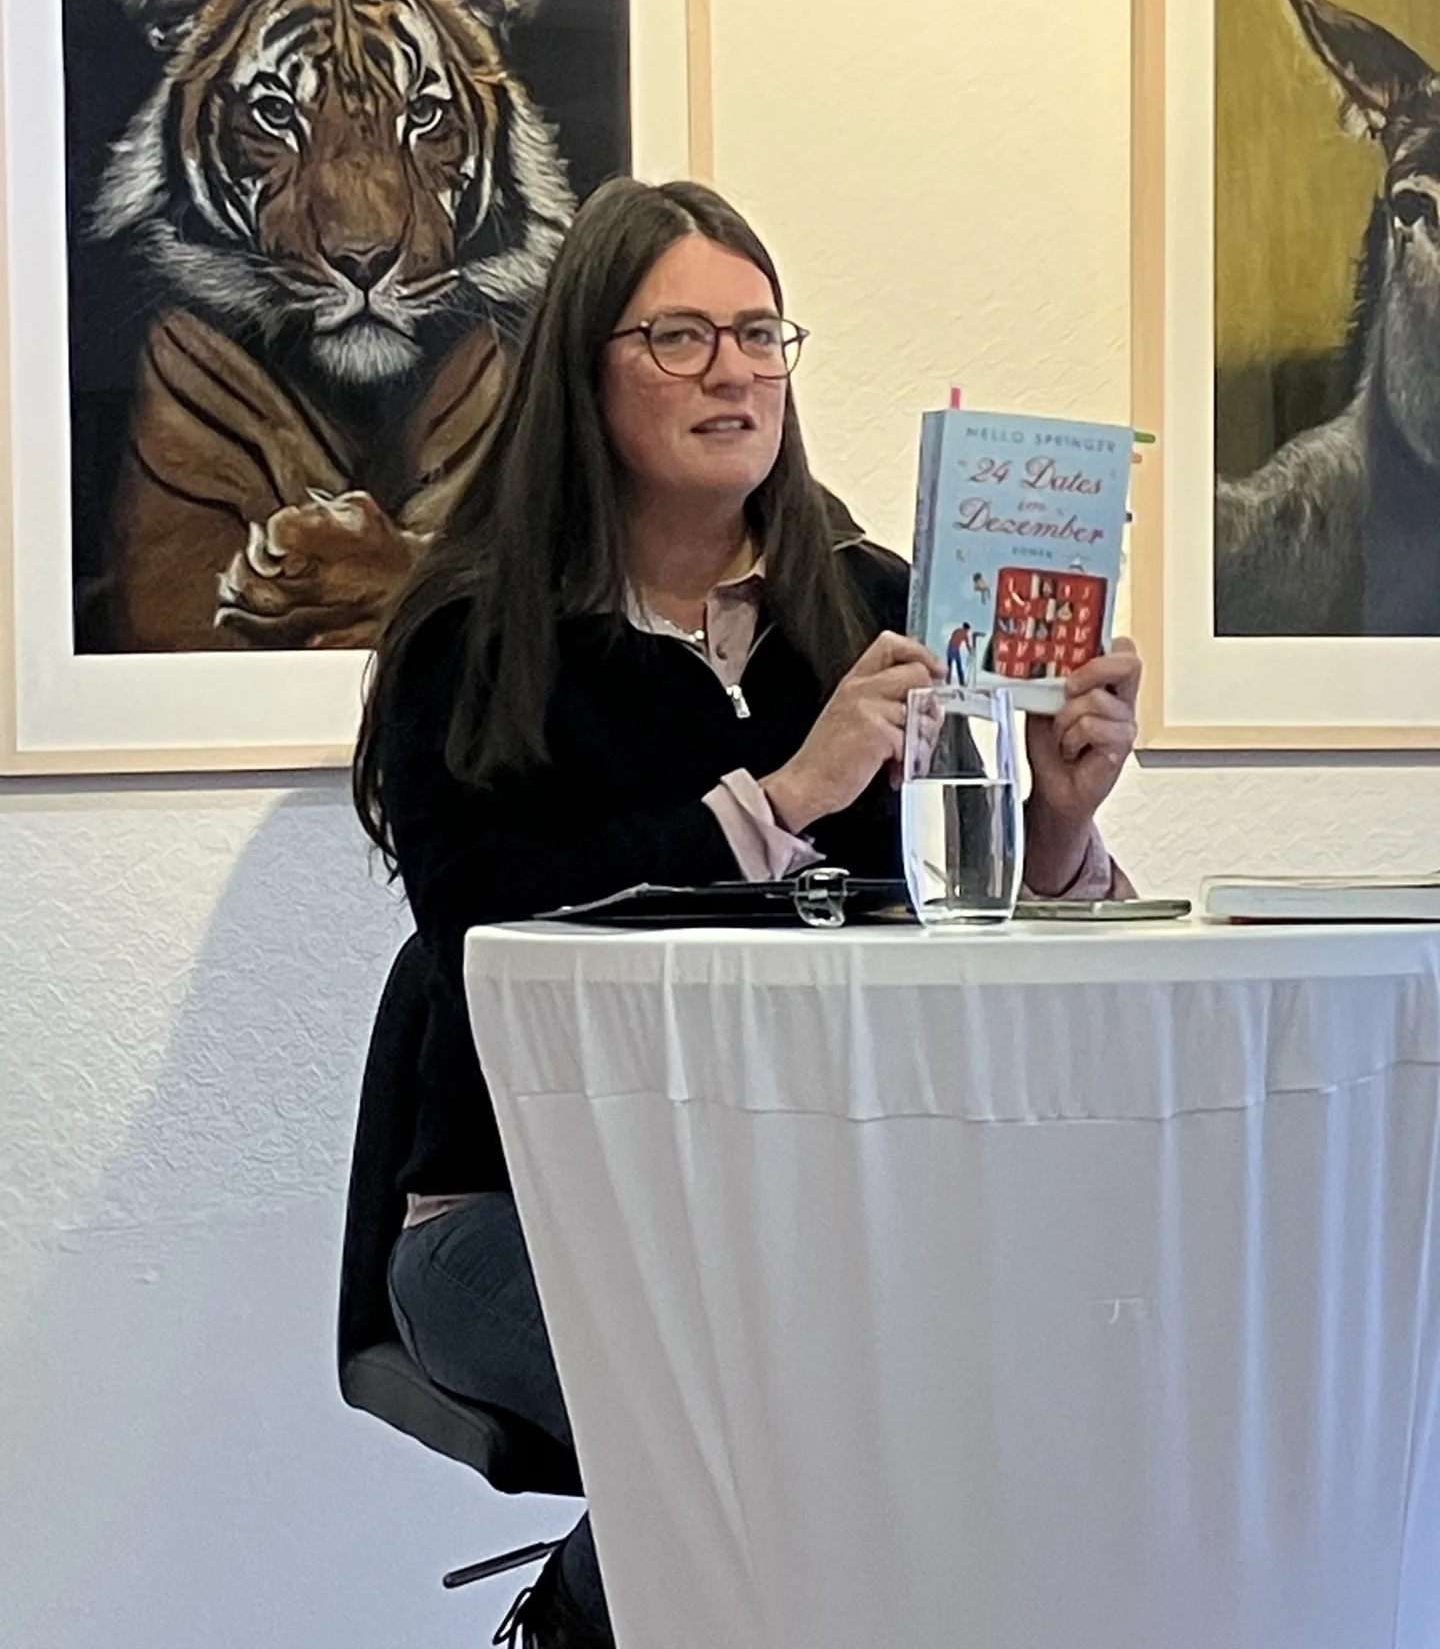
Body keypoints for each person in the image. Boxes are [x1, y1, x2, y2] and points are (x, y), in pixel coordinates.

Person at [352, 177, 1140, 1648]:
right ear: (586, 372)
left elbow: (973, 956)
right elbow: (482, 927)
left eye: (761, 333)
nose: (736, 371)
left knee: (997, 1367)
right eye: (682, 337)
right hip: (517, 1217)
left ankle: (585, 1608)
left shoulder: (881, 605)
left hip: (830, 1216)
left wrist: (1053, 826)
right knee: (808, 1397)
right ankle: (581, 1621)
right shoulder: (474, 634)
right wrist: (778, 799)